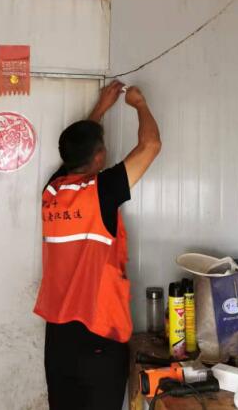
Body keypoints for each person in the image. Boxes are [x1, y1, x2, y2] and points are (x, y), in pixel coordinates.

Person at [34, 80, 161, 410]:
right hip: (99, 334)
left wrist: (101, 109)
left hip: (59, 339)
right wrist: (139, 104)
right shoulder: (101, 192)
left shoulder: (52, 192)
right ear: (100, 156)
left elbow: (78, 152)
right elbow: (150, 145)